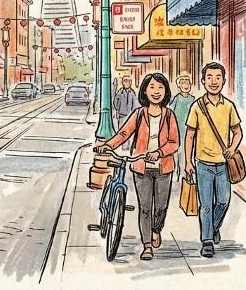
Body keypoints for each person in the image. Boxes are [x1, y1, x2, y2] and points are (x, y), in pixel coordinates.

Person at [97, 72, 179, 261]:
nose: (156, 91)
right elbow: (124, 133)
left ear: (166, 91)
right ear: (145, 91)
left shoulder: (169, 115)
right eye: (152, 87)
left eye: (160, 88)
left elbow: (174, 142)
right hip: (141, 167)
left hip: (163, 167)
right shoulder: (139, 114)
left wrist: (158, 152)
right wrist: (108, 145)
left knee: (161, 207)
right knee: (144, 207)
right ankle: (147, 245)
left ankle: (156, 229)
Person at [185, 62, 243, 258]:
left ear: (224, 81)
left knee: (224, 201)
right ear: (203, 81)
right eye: (209, 77)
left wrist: (232, 149)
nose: (213, 81)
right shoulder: (197, 106)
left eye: (218, 77)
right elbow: (190, 135)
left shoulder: (228, 107)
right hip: (202, 163)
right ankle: (207, 241)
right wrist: (188, 162)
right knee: (206, 205)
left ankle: (213, 226)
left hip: (223, 164)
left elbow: (238, 132)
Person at [168, 74, 196, 175]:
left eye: (187, 83)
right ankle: (176, 170)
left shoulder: (193, 99)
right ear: (179, 86)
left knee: (187, 150)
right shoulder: (177, 98)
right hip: (177, 129)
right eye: (183, 83)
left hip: (189, 129)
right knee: (177, 151)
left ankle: (186, 171)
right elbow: (170, 112)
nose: (185, 85)